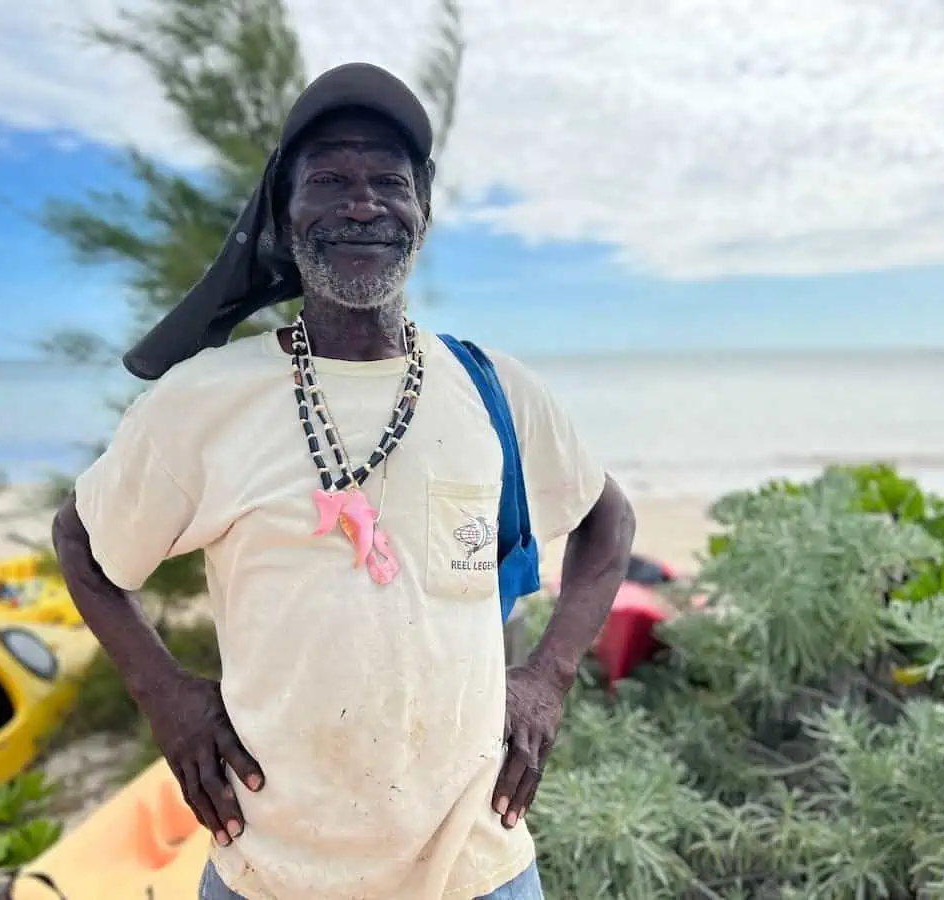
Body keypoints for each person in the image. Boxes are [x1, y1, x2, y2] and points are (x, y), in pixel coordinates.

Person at [52, 62, 635, 900]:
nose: (361, 204)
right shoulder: (204, 401)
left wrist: (548, 678)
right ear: (284, 219)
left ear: (422, 212)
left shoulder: (493, 390)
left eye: (387, 181)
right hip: (271, 873)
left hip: (478, 868)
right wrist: (165, 695)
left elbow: (607, 522)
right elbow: (82, 539)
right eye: (327, 179)